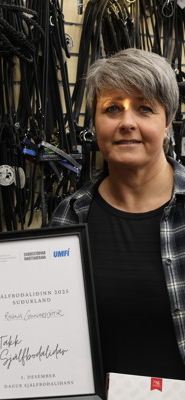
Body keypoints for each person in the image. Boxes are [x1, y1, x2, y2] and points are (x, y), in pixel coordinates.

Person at [50, 48, 185, 379]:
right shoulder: (71, 215)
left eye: (145, 108)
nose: (127, 123)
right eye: (112, 108)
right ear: (95, 124)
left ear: (167, 124)